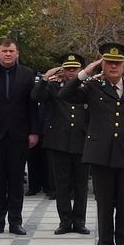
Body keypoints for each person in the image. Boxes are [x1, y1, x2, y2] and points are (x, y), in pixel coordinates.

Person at [59, 44, 124, 245]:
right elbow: (65, 94)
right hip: (101, 156)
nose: (113, 67)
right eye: (109, 63)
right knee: (105, 205)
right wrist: (86, 71)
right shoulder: (93, 87)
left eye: (118, 63)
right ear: (103, 64)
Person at [0, 39, 38, 236]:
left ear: (17, 53)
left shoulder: (28, 74)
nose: (8, 54)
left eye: (11, 51)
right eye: (4, 51)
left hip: (19, 134)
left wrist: (34, 131)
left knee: (16, 178)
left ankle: (16, 221)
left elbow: (32, 106)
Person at [34, 53, 90, 235]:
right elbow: (35, 97)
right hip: (58, 142)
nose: (72, 72)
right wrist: (44, 78)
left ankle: (79, 221)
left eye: (75, 68)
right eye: (68, 69)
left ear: (80, 70)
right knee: (62, 184)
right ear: (62, 70)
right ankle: (65, 221)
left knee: (81, 185)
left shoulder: (87, 87)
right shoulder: (53, 86)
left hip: (82, 142)